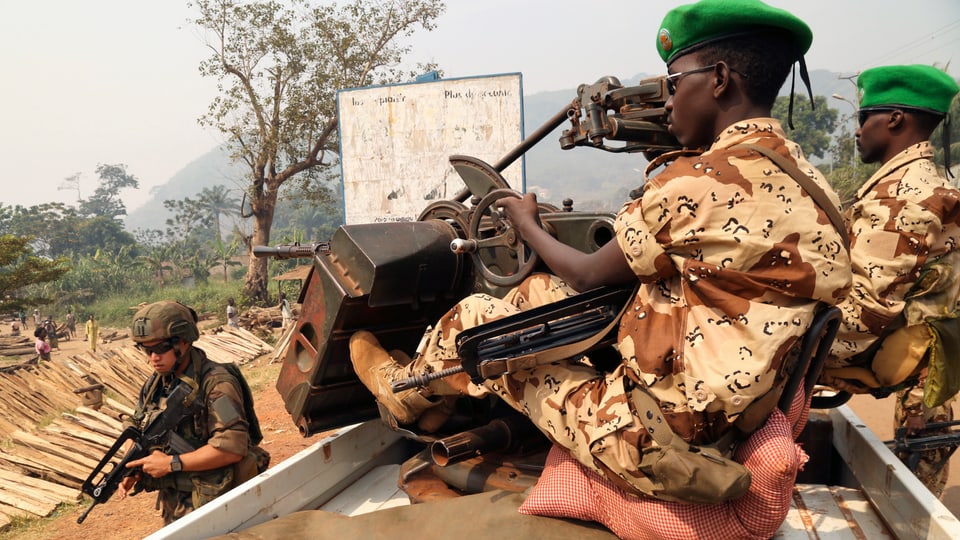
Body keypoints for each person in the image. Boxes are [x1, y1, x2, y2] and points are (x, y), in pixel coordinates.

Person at [348, 0, 850, 522]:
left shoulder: (699, 183)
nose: (670, 102)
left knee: (479, 319)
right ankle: (437, 400)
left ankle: (405, 394)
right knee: (535, 299)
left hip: (649, 439)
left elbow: (586, 272)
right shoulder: (820, 192)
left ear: (720, 79)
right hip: (722, 411)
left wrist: (526, 225)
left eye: (675, 84)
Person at [820, 64, 960, 496]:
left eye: (864, 118)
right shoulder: (916, 188)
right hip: (923, 365)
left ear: (895, 120)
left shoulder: (906, 197)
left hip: (914, 374)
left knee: (913, 494)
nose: (858, 131)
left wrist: (790, 349)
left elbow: (865, 314)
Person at [118, 301, 269, 524]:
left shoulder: (217, 384)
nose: (153, 358)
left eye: (160, 348)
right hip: (177, 506)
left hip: (219, 505)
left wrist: (171, 463)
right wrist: (137, 465)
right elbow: (141, 428)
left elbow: (232, 448)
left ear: (184, 341)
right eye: (146, 349)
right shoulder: (156, 384)